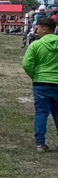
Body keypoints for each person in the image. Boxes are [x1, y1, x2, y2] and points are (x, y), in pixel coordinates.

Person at [21, 17, 58, 152]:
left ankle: (40, 143)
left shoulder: (36, 45)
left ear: (45, 28)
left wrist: (35, 75)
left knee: (41, 113)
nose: (36, 30)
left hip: (41, 82)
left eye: (37, 27)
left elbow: (26, 64)